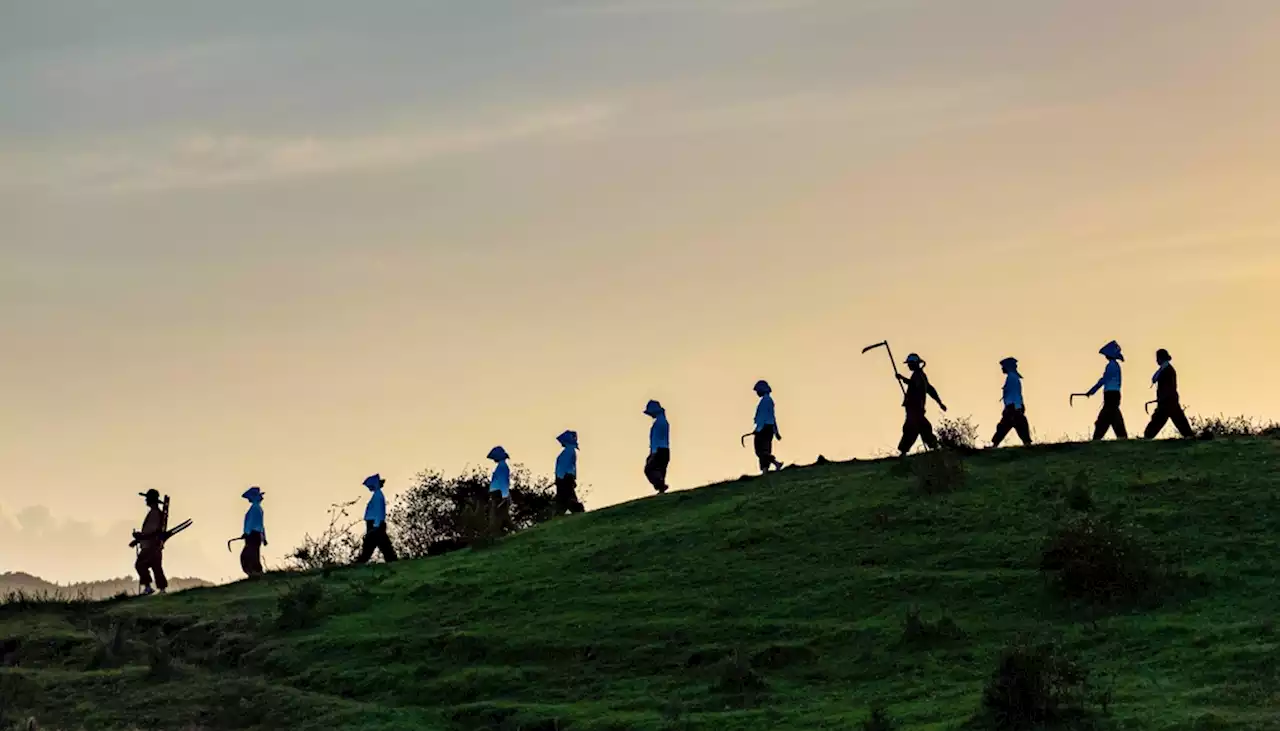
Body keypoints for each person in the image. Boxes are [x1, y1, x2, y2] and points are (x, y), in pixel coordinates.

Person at [896, 353, 947, 455]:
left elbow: (916, 385)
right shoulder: (920, 376)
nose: (909, 366)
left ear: (915, 364)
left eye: (910, 364)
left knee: (916, 428)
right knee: (920, 427)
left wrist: (902, 378)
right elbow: (930, 389)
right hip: (914, 408)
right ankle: (934, 447)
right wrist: (940, 403)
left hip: (915, 408)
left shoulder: (918, 376)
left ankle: (904, 451)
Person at [1144, 348, 1195, 439]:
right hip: (1169, 400)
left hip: (1167, 401)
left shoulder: (1167, 370)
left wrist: (1163, 397)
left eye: (1158, 358)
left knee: (1159, 419)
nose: (1156, 360)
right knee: (1177, 419)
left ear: (1161, 358)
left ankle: (1147, 436)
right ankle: (1189, 435)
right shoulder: (1165, 369)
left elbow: (1169, 387)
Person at [1084, 340, 1127, 440]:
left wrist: (1092, 390)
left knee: (1107, 415)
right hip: (1114, 394)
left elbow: (1103, 380)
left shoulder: (1111, 366)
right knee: (1112, 415)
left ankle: (1098, 437)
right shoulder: (1115, 366)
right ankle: (1121, 437)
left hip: (1111, 394)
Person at [354, 474, 398, 564]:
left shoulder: (378, 496)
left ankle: (360, 562)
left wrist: (376, 525)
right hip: (374, 524)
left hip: (375, 524)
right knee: (379, 546)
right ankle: (392, 561)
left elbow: (379, 511)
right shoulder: (377, 495)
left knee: (378, 546)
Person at [132, 489, 168, 595]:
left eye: (147, 499)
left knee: (140, 565)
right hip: (154, 545)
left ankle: (148, 587)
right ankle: (162, 589)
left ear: (150, 500)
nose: (145, 501)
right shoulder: (156, 513)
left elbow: (153, 532)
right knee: (156, 567)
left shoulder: (154, 514)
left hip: (150, 546)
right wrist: (138, 540)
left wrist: (139, 537)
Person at [991, 357, 1032, 447]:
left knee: (1008, 426)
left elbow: (1015, 394)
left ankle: (995, 445)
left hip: (1013, 408)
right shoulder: (1012, 377)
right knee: (1008, 426)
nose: (1002, 369)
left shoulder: (1012, 378)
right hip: (1013, 407)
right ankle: (1027, 444)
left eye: (1003, 367)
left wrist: (1017, 407)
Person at [752, 380, 784, 473]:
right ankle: (766, 470)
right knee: (765, 449)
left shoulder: (766, 401)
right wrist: (776, 431)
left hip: (764, 429)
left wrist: (758, 430)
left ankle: (775, 463)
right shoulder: (767, 400)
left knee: (760, 450)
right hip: (767, 429)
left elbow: (765, 417)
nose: (757, 393)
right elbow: (772, 417)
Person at [554, 431, 585, 515]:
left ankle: (577, 510)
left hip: (564, 478)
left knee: (567, 497)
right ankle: (560, 513)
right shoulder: (569, 451)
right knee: (563, 498)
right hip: (566, 477)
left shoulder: (568, 451)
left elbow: (563, 466)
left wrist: (559, 478)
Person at [239, 486, 267, 578]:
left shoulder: (255, 508)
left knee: (249, 555)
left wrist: (247, 533)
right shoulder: (257, 508)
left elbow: (252, 524)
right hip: (255, 535)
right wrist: (264, 537)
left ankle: (255, 573)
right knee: (253, 554)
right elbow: (261, 525)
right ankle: (255, 573)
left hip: (252, 535)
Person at [644, 399, 671, 494]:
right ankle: (661, 489)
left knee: (649, 469)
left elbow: (656, 440)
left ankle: (660, 485)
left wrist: (653, 453)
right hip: (665, 450)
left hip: (659, 450)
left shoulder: (659, 423)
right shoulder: (663, 421)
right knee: (660, 470)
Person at [487, 446, 513, 531]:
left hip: (498, 494)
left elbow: (503, 482)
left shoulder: (502, 467)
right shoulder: (501, 467)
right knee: (501, 514)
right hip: (497, 493)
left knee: (498, 515)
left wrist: (505, 495)